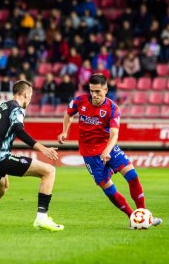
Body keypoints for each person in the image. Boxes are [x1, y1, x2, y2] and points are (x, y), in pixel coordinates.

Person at [57, 73, 162, 228]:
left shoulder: (112, 108)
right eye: (92, 91)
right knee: (108, 188)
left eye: (98, 91)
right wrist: (65, 131)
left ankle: (143, 215)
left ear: (106, 90)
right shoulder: (80, 101)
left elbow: (114, 134)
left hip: (108, 147)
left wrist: (107, 150)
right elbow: (68, 114)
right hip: (90, 154)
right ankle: (131, 217)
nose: (94, 95)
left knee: (132, 176)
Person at [0, 80, 64, 232]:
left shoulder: (2, 106)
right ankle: (42, 218)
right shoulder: (17, 109)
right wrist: (42, 148)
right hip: (0, 157)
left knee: (2, 188)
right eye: (30, 96)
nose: (30, 100)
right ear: (25, 94)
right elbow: (19, 130)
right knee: (49, 171)